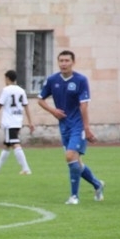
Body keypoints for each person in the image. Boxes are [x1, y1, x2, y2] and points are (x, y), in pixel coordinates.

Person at [37, 50, 104, 204]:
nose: (64, 64)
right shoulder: (52, 80)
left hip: (78, 126)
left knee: (70, 156)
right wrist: (53, 111)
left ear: (73, 62)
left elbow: (84, 105)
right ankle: (97, 184)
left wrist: (86, 128)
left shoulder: (81, 80)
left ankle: (74, 197)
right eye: (61, 61)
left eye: (67, 60)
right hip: (64, 126)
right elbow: (40, 100)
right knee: (75, 162)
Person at [0, 70, 34, 175]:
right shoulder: (21, 90)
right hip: (18, 121)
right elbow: (26, 106)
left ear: (7, 78)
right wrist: (30, 122)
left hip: (9, 122)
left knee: (15, 144)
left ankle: (26, 169)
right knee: (7, 145)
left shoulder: (6, 90)